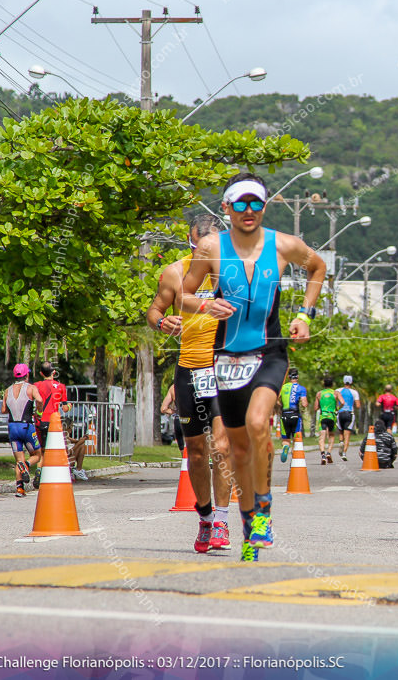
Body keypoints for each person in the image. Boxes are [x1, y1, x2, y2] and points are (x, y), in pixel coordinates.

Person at [180, 172, 326, 562]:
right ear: (226, 207)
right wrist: (206, 304)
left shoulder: (284, 244)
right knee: (237, 448)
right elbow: (184, 295)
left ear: (265, 206)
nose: (249, 211)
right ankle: (249, 523)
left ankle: (262, 509)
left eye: (256, 203)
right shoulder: (211, 247)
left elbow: (318, 268)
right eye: (240, 203)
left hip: (270, 351)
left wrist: (304, 314)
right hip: (225, 356)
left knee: (259, 423)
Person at [147, 212, 235, 553]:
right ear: (190, 241)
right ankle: (205, 518)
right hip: (190, 370)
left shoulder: (236, 272)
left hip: (226, 370)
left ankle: (223, 522)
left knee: (222, 448)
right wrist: (161, 322)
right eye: (201, 247)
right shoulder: (174, 272)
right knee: (196, 454)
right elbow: (154, 310)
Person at [2, 364, 44, 497]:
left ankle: (20, 489)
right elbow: (40, 400)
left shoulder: (7, 390)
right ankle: (26, 465)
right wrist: (38, 410)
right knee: (37, 455)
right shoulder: (31, 388)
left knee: (18, 460)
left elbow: (3, 410)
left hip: (12, 427)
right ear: (27, 375)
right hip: (26, 426)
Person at [32, 362, 72, 480]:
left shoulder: (36, 385)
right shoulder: (61, 387)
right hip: (54, 423)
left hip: (39, 421)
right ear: (54, 372)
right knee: (55, 449)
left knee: (42, 450)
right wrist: (70, 406)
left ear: (40, 373)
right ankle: (53, 475)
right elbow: (65, 408)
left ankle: (39, 470)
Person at [277, 369, 308, 464]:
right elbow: (304, 403)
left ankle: (285, 447)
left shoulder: (283, 387)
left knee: (285, 439)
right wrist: (303, 407)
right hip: (295, 415)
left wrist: (280, 407)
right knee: (296, 439)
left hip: (284, 415)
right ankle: (294, 461)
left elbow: (276, 400)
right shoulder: (301, 388)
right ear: (297, 377)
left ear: (289, 377)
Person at [315, 377, 342, 465]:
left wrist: (322, 405)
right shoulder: (335, 393)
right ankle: (328, 453)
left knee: (322, 436)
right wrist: (337, 408)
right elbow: (343, 402)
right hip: (332, 416)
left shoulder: (319, 394)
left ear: (324, 384)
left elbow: (315, 408)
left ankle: (322, 454)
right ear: (332, 384)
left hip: (323, 416)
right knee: (331, 435)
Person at [336, 375, 359, 462]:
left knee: (341, 432)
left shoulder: (338, 390)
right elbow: (358, 405)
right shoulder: (354, 392)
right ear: (351, 382)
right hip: (349, 413)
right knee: (347, 434)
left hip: (340, 413)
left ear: (343, 382)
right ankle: (344, 453)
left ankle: (341, 442)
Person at [160, 385, 185, 452]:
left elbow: (163, 409)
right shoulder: (196, 383)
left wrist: (176, 411)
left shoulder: (173, 387)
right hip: (193, 419)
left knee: (183, 451)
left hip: (179, 419)